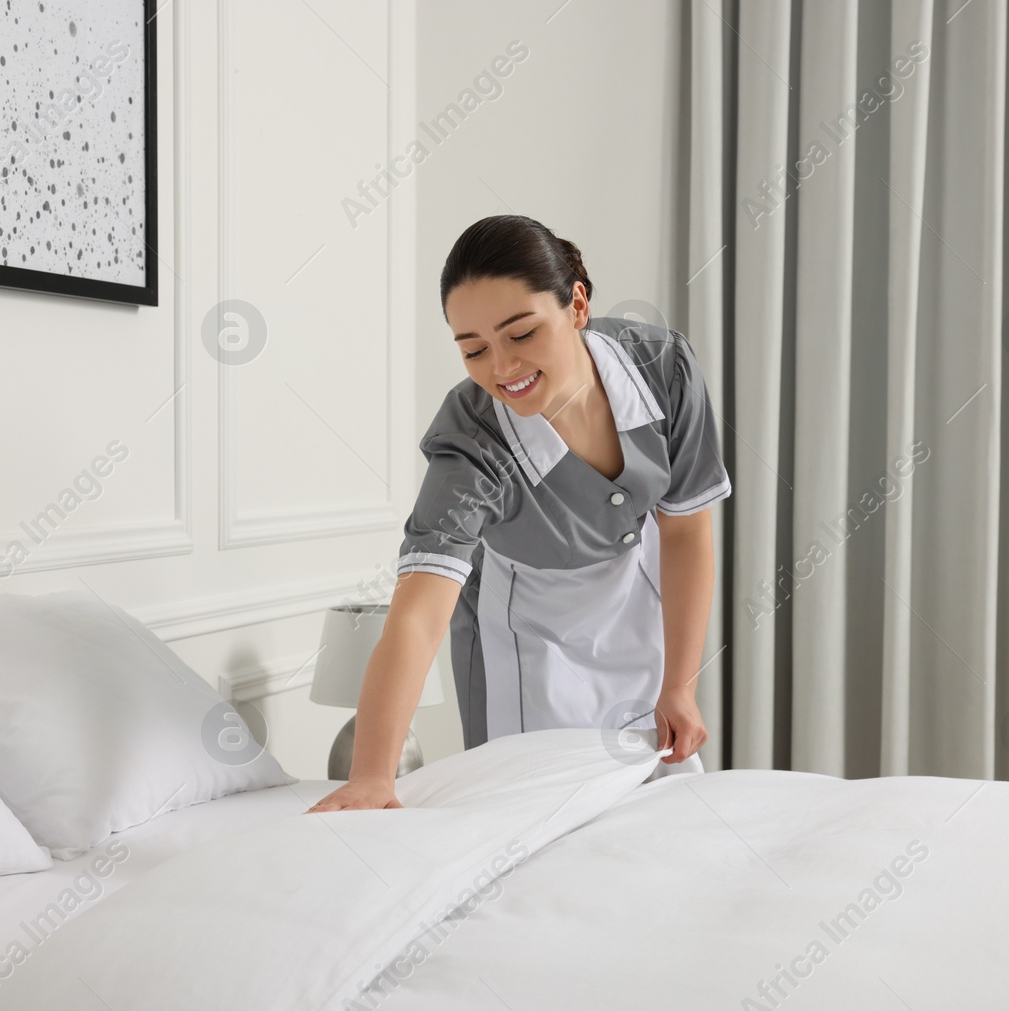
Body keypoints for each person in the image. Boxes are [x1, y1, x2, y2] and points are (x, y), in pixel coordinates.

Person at [307, 215, 730, 812]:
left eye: (521, 334)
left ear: (577, 305)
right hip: (528, 641)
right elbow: (419, 614)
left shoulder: (662, 370)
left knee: (668, 814)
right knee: (533, 822)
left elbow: (687, 532)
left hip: (641, 618)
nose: (502, 369)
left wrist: (680, 686)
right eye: (473, 349)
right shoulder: (473, 444)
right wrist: (373, 776)